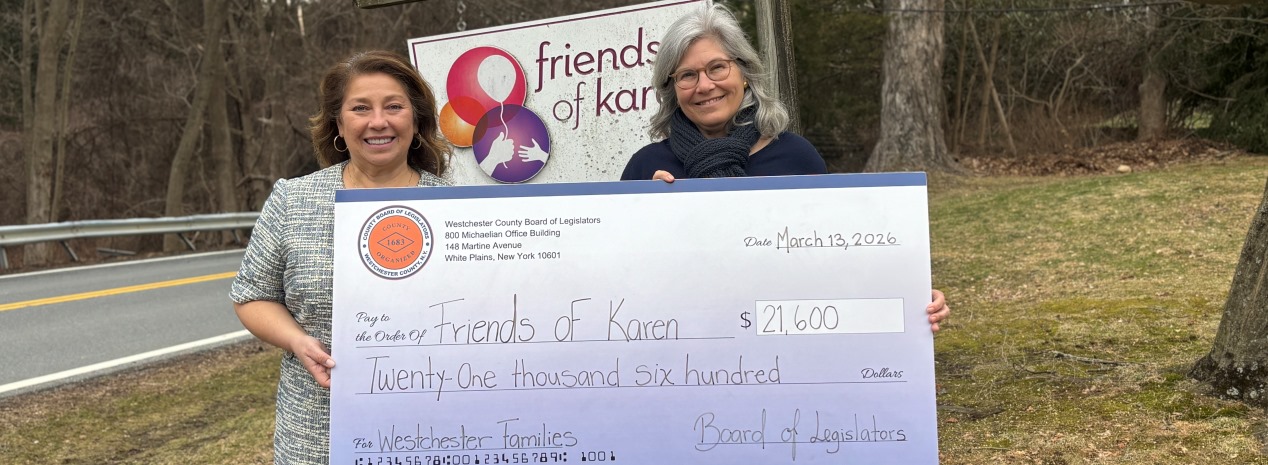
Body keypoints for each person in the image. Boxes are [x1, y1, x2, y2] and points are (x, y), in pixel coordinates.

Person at [621, 4, 950, 329]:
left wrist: (908, 299)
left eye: (717, 67)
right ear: (672, 89)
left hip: (783, 357)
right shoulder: (645, 169)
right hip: (682, 354)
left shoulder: (797, 158)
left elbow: (841, 261)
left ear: (745, 74)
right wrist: (649, 222)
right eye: (687, 75)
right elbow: (618, 280)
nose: (705, 85)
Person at [229, 50, 451, 465]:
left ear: (417, 121)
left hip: (439, 426)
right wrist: (296, 340)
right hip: (318, 430)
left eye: (394, 106)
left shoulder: (463, 209)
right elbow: (251, 295)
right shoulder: (294, 200)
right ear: (338, 123)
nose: (378, 121)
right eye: (360, 108)